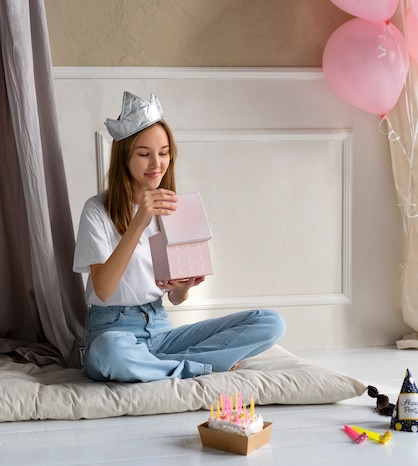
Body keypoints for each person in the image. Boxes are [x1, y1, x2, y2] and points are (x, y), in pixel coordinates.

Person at [73, 91, 286, 382]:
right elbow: (105, 290)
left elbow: (174, 297)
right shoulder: (97, 210)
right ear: (125, 157)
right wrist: (139, 222)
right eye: (144, 154)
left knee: (270, 322)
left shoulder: (175, 209)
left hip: (160, 329)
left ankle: (155, 364)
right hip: (113, 330)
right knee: (110, 352)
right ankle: (197, 367)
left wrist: (183, 287)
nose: (156, 163)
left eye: (163, 152)